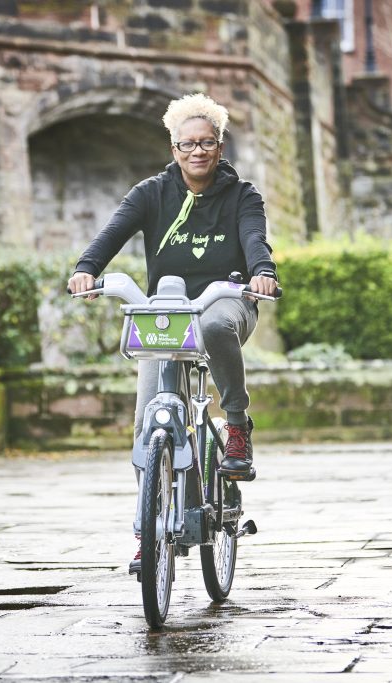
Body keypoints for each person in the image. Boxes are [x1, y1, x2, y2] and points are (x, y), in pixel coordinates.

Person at [67, 93, 278, 566]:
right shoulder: (150, 193)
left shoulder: (243, 196)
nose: (197, 151)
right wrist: (86, 268)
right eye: (188, 144)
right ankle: (151, 529)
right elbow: (111, 234)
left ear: (220, 147)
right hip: (166, 312)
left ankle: (238, 424)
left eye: (207, 143)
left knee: (219, 325)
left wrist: (263, 272)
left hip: (226, 299)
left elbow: (253, 238)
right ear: (174, 147)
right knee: (146, 424)